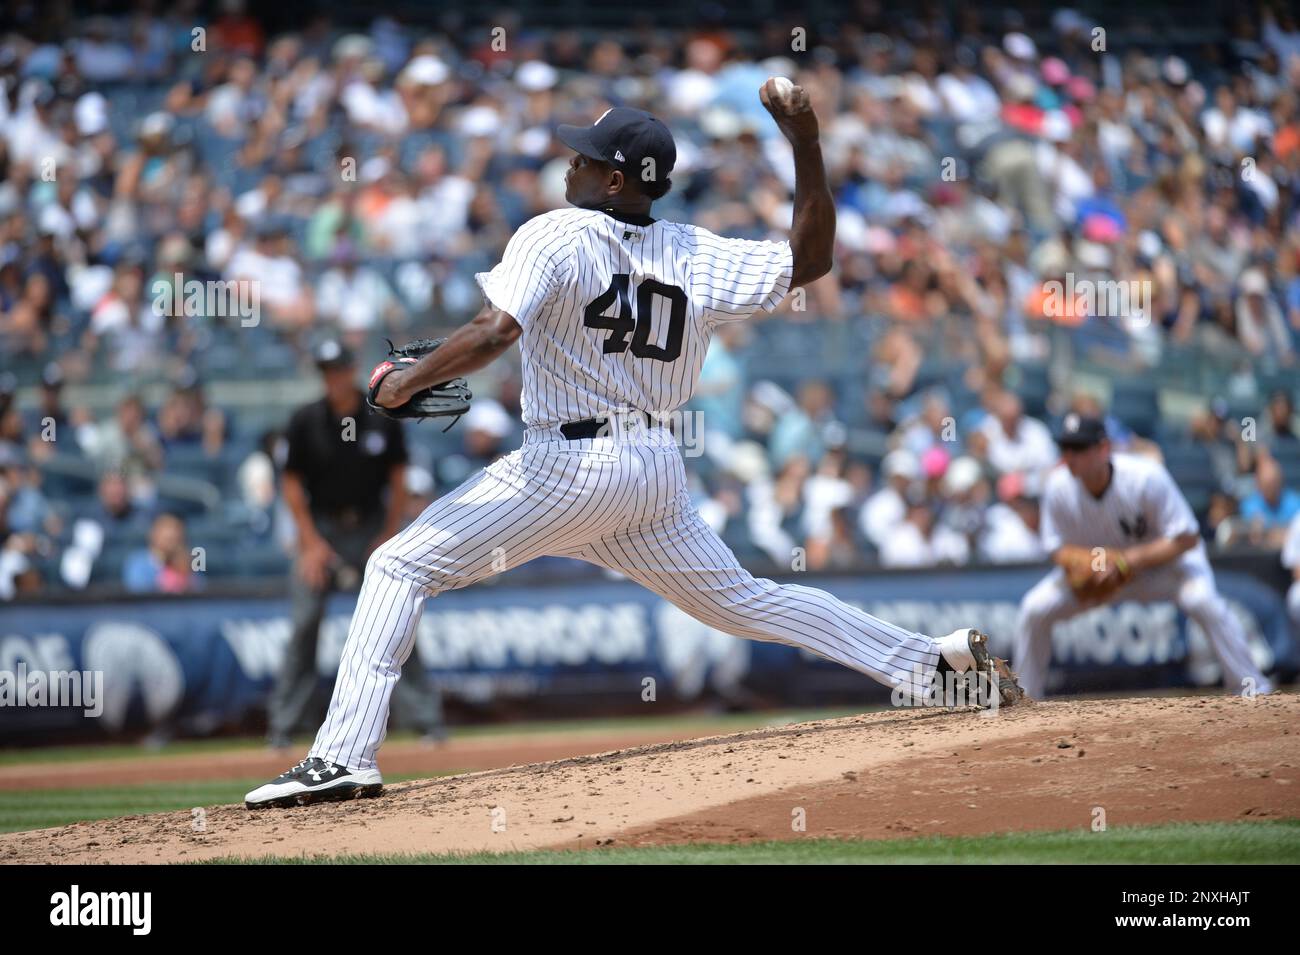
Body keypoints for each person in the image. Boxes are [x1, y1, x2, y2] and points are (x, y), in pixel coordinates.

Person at [246, 83, 1021, 808]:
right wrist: (806, 145)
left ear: (616, 180)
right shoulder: (696, 251)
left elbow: (495, 331)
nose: (569, 163)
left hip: (568, 466)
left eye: (584, 157)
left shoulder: (553, 234)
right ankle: (932, 667)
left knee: (396, 563)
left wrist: (406, 382)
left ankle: (344, 754)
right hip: (652, 470)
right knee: (749, 600)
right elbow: (812, 258)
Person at [1012, 414, 1273, 699]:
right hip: (1102, 574)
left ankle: (1253, 689)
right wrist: (1092, 564)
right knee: (1034, 609)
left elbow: (1186, 538)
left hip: (1163, 571)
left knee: (1203, 601)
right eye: (1066, 448)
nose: (1070, 456)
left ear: (1103, 448)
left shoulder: (1145, 477)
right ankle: (1026, 700)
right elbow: (1056, 548)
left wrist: (1124, 561)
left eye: (1079, 448)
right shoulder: (1057, 486)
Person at [266, 340, 446, 751]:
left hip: (370, 527)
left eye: (338, 368)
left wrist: (387, 536)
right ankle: (283, 726)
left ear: (351, 370)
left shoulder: (380, 419)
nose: (333, 377)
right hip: (323, 529)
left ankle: (425, 720)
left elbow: (399, 480)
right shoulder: (305, 421)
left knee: (396, 617)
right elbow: (291, 485)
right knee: (304, 624)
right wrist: (310, 544)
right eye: (326, 370)